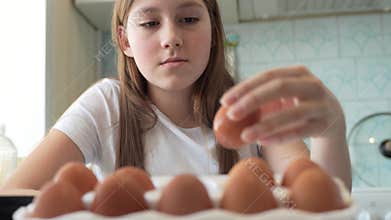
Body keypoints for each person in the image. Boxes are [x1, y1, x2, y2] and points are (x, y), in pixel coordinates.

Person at [1, 0, 351, 191]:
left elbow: (317, 203)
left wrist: (330, 132)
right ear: (125, 41)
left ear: (213, 30)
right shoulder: (105, 105)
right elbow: (16, 198)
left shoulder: (249, 109)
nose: (171, 37)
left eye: (188, 18)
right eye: (151, 23)